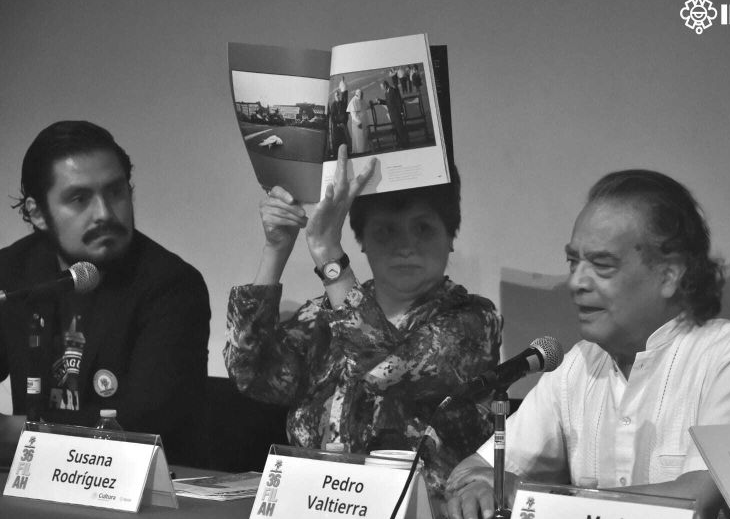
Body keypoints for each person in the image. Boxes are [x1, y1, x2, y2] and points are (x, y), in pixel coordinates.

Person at [446, 169, 730, 519]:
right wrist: (480, 486)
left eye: (602, 265)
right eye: (573, 262)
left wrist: (532, 497)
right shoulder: (577, 365)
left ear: (669, 274)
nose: (576, 282)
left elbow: (696, 503)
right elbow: (476, 470)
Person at [224, 145, 502, 507]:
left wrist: (328, 253)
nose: (405, 246)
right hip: (315, 505)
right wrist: (276, 249)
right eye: (386, 230)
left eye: (423, 228)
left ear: (450, 237)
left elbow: (384, 371)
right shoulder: (324, 314)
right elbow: (252, 374)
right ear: (363, 240)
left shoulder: (472, 320)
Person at [0, 120, 211, 466]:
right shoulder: (14, 275)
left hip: (134, 483)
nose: (104, 213)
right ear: (37, 214)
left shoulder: (172, 286)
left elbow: (145, 422)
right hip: (31, 478)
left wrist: (15, 433)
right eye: (79, 199)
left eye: (115, 192)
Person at [373, 80, 409, 149]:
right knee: (396, 129)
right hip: (392, 114)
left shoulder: (393, 90)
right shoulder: (386, 92)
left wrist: (401, 112)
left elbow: (398, 100)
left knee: (400, 129)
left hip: (397, 113)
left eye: (382, 87)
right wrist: (380, 101)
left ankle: (405, 144)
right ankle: (400, 144)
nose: (381, 88)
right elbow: (388, 102)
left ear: (385, 85)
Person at [346, 88, 370, 155]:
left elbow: (366, 106)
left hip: (363, 122)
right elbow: (354, 115)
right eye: (361, 94)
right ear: (358, 94)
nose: (362, 96)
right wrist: (359, 122)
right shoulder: (353, 102)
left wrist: (371, 104)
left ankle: (365, 150)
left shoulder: (361, 99)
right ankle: (360, 152)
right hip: (357, 123)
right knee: (359, 138)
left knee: (364, 137)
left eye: (362, 94)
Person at [328, 89, 349, 156]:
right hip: (336, 126)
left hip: (343, 125)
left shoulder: (343, 104)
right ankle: (336, 155)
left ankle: (345, 153)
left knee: (344, 140)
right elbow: (332, 117)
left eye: (338, 95)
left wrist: (344, 122)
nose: (338, 96)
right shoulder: (333, 105)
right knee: (337, 141)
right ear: (335, 96)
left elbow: (346, 114)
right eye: (336, 95)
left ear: (340, 95)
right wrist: (337, 124)